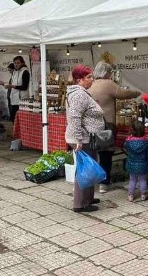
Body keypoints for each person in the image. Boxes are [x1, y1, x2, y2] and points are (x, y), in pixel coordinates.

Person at [88, 61, 142, 193]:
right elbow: (123, 93)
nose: (111, 75)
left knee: (94, 153)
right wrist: (137, 93)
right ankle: (104, 184)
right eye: (110, 72)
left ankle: (92, 182)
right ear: (106, 73)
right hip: (106, 124)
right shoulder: (108, 84)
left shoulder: (92, 84)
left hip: (92, 124)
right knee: (106, 154)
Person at [65, 65, 104, 213]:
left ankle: (88, 197)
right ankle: (80, 203)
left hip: (87, 137)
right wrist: (78, 140)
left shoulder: (81, 92)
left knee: (89, 167)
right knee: (84, 170)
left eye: (92, 77)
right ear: (79, 80)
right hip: (83, 138)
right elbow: (75, 118)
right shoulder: (79, 95)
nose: (92, 80)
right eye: (88, 77)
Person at [124, 122, 148, 202]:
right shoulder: (146, 142)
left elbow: (125, 146)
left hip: (131, 164)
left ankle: (130, 196)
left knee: (132, 180)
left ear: (132, 130)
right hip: (143, 164)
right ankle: (143, 195)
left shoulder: (128, 141)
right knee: (143, 180)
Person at [0, 56, 30, 122]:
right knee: (13, 118)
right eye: (15, 63)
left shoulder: (25, 72)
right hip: (14, 99)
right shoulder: (15, 73)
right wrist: (3, 83)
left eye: (18, 63)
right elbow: (13, 84)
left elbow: (24, 87)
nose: (16, 65)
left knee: (19, 120)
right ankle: (15, 131)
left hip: (22, 100)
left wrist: (12, 86)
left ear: (22, 63)